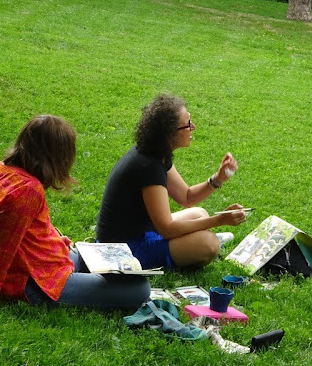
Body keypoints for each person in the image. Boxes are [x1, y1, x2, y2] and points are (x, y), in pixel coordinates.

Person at [0, 115, 150, 313]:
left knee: (104, 261)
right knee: (140, 289)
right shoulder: (26, 191)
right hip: (35, 282)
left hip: (44, 262)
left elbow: (26, 230)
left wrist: (52, 241)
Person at [96, 94, 247, 269]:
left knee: (199, 213)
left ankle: (191, 244)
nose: (193, 127)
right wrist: (219, 220)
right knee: (209, 244)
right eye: (187, 124)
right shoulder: (148, 167)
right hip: (123, 249)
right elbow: (166, 229)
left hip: (143, 231)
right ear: (169, 134)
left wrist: (218, 178)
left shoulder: (156, 153)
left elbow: (187, 197)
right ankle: (196, 246)